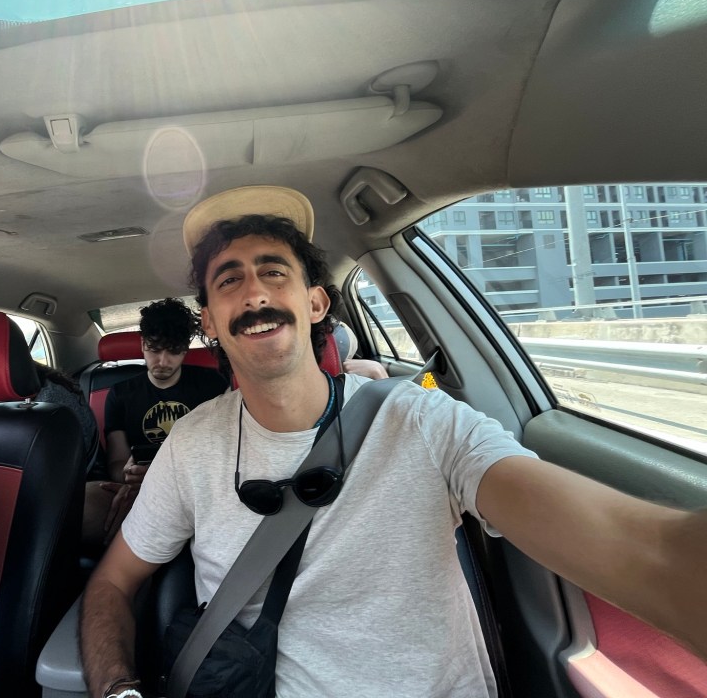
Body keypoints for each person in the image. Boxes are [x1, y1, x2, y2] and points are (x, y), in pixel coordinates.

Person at [79, 185, 707, 698]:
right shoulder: (192, 445)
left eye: (274, 271)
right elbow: (112, 583)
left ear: (316, 303)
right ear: (210, 324)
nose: (256, 292)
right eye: (229, 281)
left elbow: (640, 549)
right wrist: (119, 692)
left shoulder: (424, 420)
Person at [103, 298, 229, 489]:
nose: (162, 361)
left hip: (199, 483)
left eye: (173, 351)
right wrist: (128, 474)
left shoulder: (213, 384)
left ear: (185, 349)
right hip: (143, 488)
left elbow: (226, 447)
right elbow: (116, 462)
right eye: (154, 350)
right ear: (143, 344)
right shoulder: (120, 394)